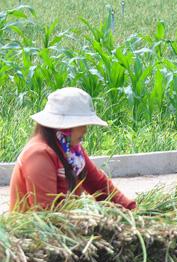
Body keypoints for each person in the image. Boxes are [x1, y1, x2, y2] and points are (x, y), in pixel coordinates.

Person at [9, 87, 137, 212]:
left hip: (63, 224)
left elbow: (99, 186)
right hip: (39, 231)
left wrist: (132, 210)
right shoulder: (39, 155)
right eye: (82, 124)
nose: (85, 130)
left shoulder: (71, 152)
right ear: (66, 126)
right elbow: (45, 212)